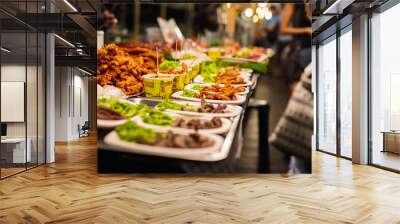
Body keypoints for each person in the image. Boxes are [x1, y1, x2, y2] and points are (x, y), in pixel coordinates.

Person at [279, 3, 312, 91]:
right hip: (299, 49)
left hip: (313, 49)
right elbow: (283, 29)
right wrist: (306, 30)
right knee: (298, 91)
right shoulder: (291, 4)